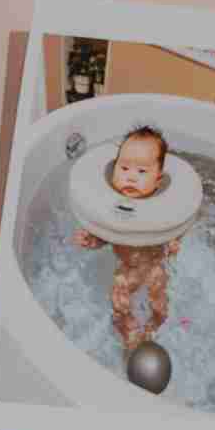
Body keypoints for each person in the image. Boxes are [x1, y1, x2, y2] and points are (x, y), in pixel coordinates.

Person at [73, 124, 182, 362]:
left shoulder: (162, 209)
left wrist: (173, 242)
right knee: (119, 297)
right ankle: (129, 335)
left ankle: (154, 328)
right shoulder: (113, 208)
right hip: (127, 267)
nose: (131, 176)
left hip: (153, 265)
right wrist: (92, 239)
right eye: (123, 168)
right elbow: (107, 236)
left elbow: (174, 226)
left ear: (158, 180)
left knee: (159, 302)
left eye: (142, 171)